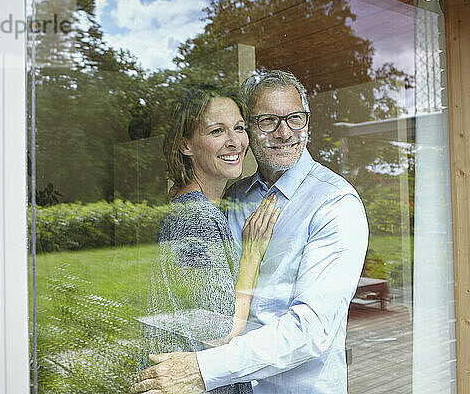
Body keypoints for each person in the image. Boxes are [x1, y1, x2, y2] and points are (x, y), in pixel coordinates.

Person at [132, 70, 369, 394]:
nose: (284, 132)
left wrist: (202, 371)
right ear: (253, 127)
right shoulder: (232, 196)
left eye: (295, 118)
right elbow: (207, 304)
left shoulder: (333, 202)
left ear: (307, 122)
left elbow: (311, 331)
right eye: (267, 120)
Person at [138, 85, 280, 394]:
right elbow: (221, 330)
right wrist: (251, 256)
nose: (235, 141)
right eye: (217, 131)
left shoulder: (189, 204)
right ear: (186, 145)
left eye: (239, 128)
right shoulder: (196, 218)